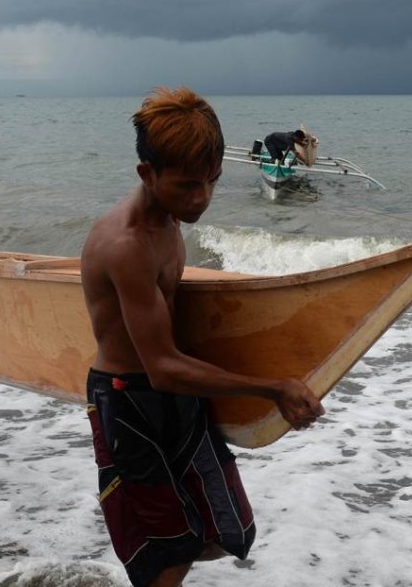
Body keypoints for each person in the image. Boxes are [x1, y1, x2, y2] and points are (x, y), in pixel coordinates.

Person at [81, 87, 325, 587]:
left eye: (212, 182)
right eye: (188, 186)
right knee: (165, 557)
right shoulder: (125, 245)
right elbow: (161, 368)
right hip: (131, 402)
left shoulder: (169, 217)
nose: (202, 199)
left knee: (226, 529)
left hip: (179, 390)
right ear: (146, 174)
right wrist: (273, 388)